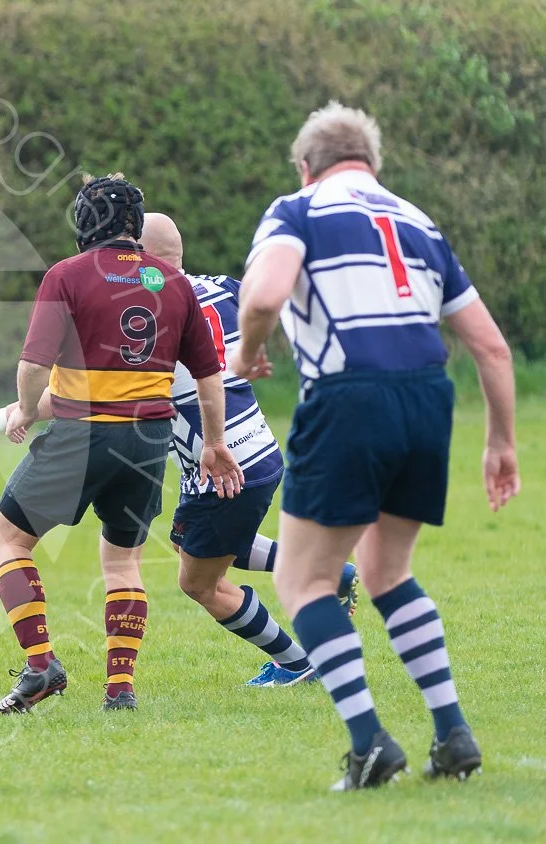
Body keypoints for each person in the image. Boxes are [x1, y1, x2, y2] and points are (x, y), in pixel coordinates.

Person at [234, 102, 520, 790]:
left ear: (306, 167)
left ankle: (369, 744)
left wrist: (248, 352)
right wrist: (501, 442)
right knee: (387, 571)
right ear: (373, 165)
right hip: (429, 397)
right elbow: (490, 346)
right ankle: (452, 734)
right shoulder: (418, 222)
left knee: (302, 580)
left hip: (349, 395)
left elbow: (266, 295)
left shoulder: (297, 209)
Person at [0, 212, 359, 688]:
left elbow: (88, 395)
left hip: (221, 466)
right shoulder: (222, 288)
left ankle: (299, 663)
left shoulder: (153, 310)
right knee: (192, 544)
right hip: (260, 451)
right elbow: (272, 306)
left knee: (198, 582)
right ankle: (331, 572)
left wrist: (6, 416)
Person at [0, 174, 243, 715]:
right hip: (149, 439)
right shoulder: (172, 282)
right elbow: (209, 376)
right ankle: (120, 689)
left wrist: (27, 412)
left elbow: (32, 365)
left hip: (82, 435)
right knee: (123, 561)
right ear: (134, 224)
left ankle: (40, 666)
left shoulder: (68, 275)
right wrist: (215, 443)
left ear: (84, 224)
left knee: (7, 539)